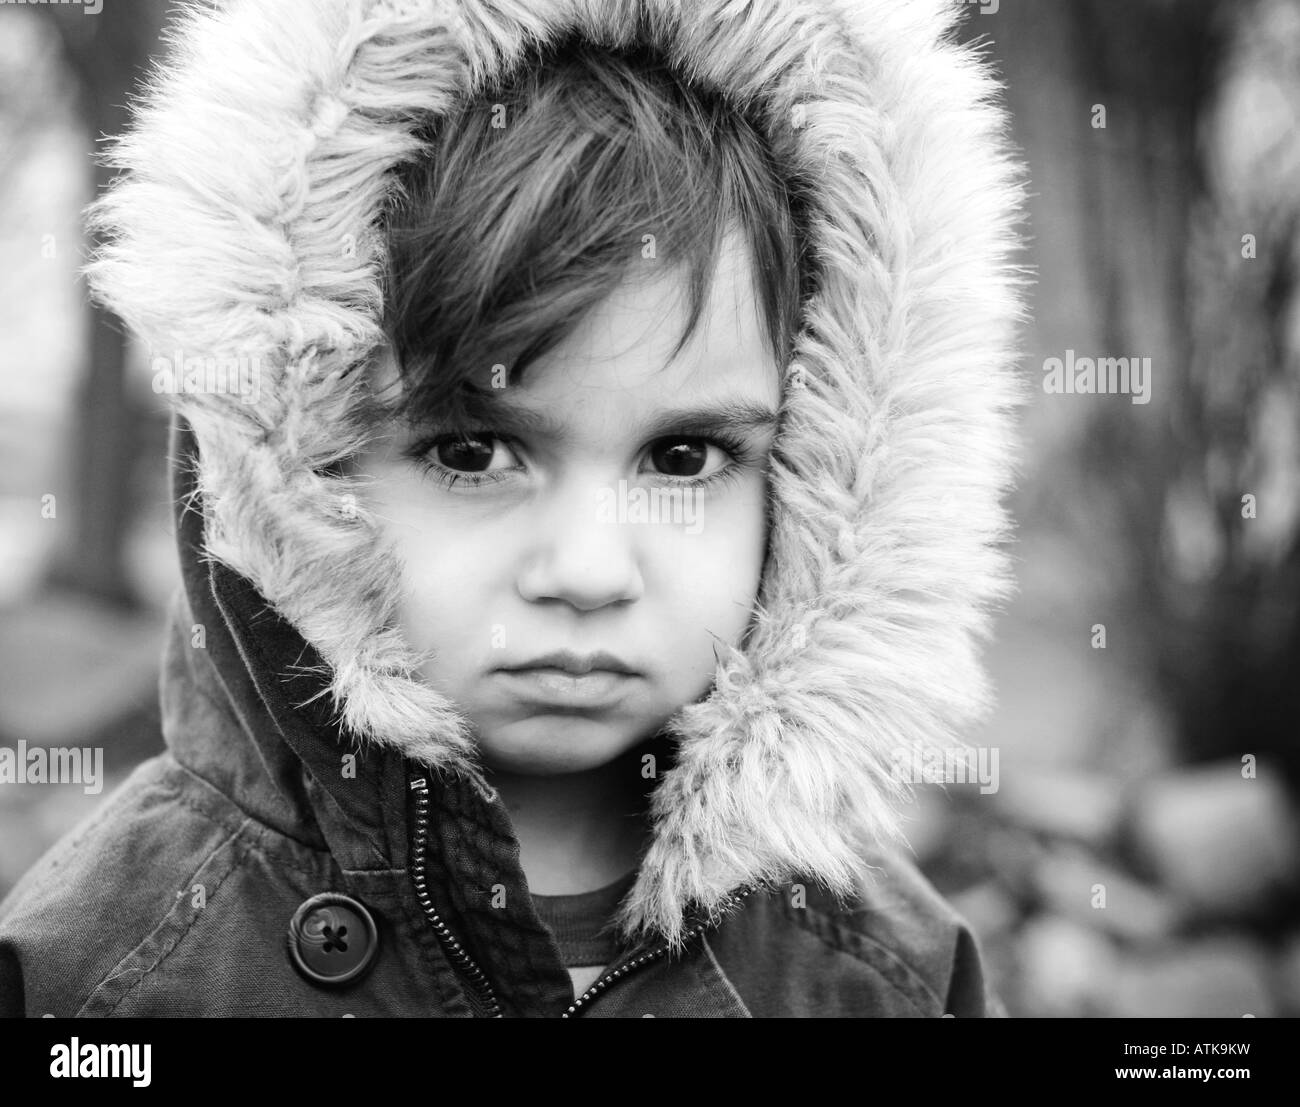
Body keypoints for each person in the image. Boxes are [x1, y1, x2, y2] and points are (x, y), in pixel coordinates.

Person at [0, 0, 1026, 1017]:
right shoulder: (111, 967)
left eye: (682, 456)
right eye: (473, 451)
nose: (587, 572)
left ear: (821, 478)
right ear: (299, 457)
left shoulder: (880, 973)